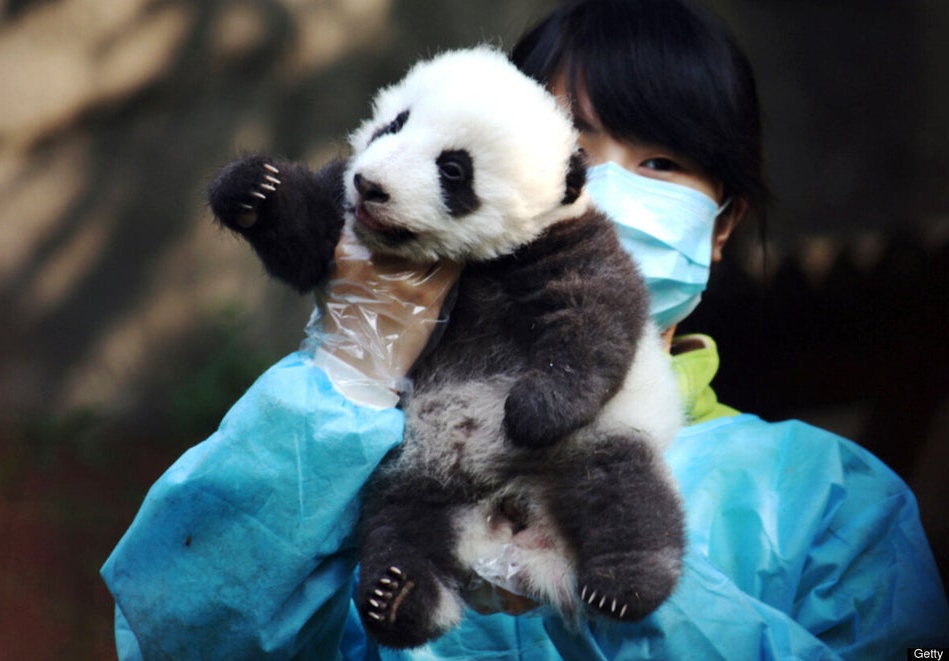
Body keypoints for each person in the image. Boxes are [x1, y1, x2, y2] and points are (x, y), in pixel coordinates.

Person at [101, 0, 949, 658]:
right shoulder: (334, 442)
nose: (606, 186)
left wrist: (620, 597)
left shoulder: (831, 501)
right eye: (573, 140)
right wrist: (352, 369)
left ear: (723, 224)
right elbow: (172, 634)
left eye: (662, 162)